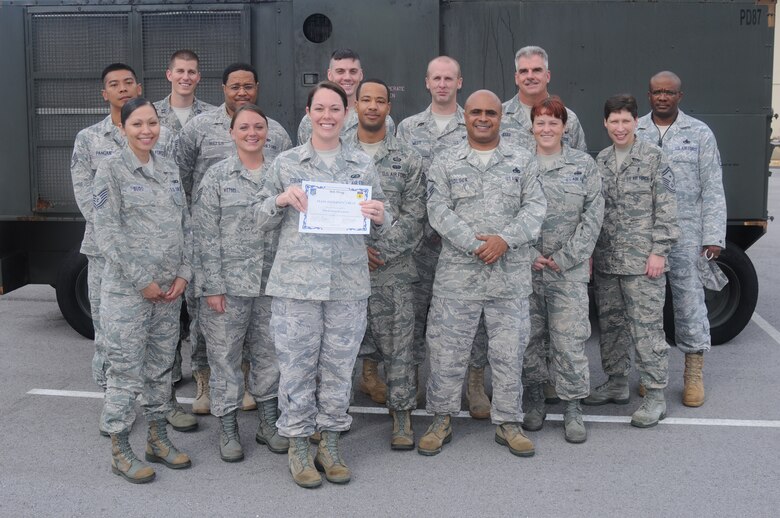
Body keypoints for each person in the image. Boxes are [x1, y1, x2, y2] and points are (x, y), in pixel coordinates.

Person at [418, 90, 546, 457]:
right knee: (446, 352)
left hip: (509, 277)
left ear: (500, 117)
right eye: (476, 112)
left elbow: (536, 208)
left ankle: (508, 422)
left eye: (491, 112)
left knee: (509, 353)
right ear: (465, 116)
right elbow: (437, 209)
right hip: (458, 277)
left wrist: (505, 240)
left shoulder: (523, 159)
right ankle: (441, 419)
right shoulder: (445, 161)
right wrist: (475, 245)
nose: (484, 117)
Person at [70, 63, 185, 436]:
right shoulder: (90, 140)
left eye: (127, 83)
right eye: (113, 85)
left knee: (159, 343)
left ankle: (161, 406)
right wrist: (134, 250)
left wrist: (178, 265)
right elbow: (93, 205)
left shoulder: (164, 146)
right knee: (112, 334)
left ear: (138, 86)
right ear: (105, 93)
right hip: (111, 258)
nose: (121, 89)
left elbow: (178, 214)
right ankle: (116, 406)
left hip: (162, 263)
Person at [175, 62, 292, 414]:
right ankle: (204, 383)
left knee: (260, 337)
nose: (242, 92)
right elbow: (181, 179)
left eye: (248, 86)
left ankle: (249, 388)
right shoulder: (198, 128)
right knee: (207, 327)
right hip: (217, 249)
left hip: (264, 259)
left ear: (257, 88)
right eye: (234, 86)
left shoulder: (279, 135)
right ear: (223, 88)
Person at [93, 97, 193, 484]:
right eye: (137, 124)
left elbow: (184, 224)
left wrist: (184, 273)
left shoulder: (167, 167)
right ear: (122, 128)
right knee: (125, 373)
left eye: (152, 122)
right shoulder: (111, 170)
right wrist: (142, 281)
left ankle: (157, 440)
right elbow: (108, 234)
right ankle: (120, 448)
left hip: (169, 294)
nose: (147, 130)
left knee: (160, 371)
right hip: (130, 294)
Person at [397, 57, 494, 418]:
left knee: (474, 315)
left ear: (459, 82)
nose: (442, 84)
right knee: (416, 314)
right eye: (436, 78)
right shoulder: (408, 128)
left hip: (464, 243)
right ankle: (415, 384)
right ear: (426, 83)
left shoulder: (472, 122)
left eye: (448, 78)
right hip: (419, 242)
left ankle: (474, 384)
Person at [192, 105, 288, 463]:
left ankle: (267, 423)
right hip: (227, 288)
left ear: (268, 132)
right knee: (225, 360)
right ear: (232, 133)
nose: (252, 133)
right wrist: (212, 287)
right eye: (244, 127)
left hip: (271, 285)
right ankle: (229, 428)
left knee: (270, 357)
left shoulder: (281, 175)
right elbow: (204, 236)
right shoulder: (216, 177)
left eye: (258, 127)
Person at [583, 94, 679, 428]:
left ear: (636, 122)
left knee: (647, 330)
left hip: (643, 263)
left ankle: (655, 396)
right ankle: (617, 383)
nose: (620, 127)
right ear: (605, 124)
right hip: (609, 261)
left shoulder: (655, 158)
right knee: (610, 326)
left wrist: (659, 251)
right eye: (614, 121)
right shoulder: (602, 161)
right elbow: (594, 213)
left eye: (626, 121)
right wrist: (592, 255)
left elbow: (667, 209)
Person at [636, 71, 726, 407]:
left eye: (669, 92)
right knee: (648, 307)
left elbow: (713, 187)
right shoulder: (637, 130)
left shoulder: (699, 133)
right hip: (646, 235)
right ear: (649, 96)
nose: (662, 97)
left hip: (688, 235)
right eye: (657, 91)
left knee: (690, 305)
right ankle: (653, 373)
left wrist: (713, 235)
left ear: (680, 96)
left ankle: (692, 375)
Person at [521, 96, 604, 443]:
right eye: (540, 122)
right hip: (526, 269)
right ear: (532, 126)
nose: (547, 128)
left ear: (564, 127)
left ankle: (572, 407)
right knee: (530, 340)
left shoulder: (583, 165)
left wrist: (567, 257)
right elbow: (506, 213)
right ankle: (537, 400)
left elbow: (594, 216)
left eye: (553, 122)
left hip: (567, 272)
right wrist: (528, 253)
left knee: (569, 340)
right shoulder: (519, 164)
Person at [352, 79, 425, 449]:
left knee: (400, 349)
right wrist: (355, 251)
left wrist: (380, 249)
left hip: (393, 272)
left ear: (388, 108)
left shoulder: (407, 159)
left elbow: (416, 217)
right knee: (335, 348)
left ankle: (401, 415)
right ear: (355, 104)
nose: (373, 106)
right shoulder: (337, 154)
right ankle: (329, 417)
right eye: (366, 100)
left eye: (380, 101)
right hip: (345, 271)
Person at [296, 49, 394, 144]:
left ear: (361, 75)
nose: (347, 77)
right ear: (330, 75)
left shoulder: (383, 120)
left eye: (353, 71)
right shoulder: (310, 121)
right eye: (340, 71)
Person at [501, 46, 587, 153]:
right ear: (516, 78)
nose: (530, 76)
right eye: (524, 71)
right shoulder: (499, 116)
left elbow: (581, 163)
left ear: (548, 76)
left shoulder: (569, 118)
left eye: (537, 70)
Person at [154, 49, 215, 134]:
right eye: (180, 71)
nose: (186, 77)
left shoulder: (213, 115)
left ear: (198, 77)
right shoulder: (152, 113)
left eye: (191, 72)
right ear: (169, 75)